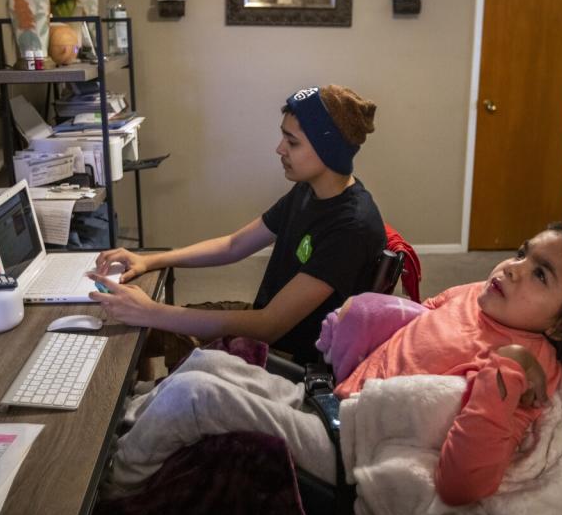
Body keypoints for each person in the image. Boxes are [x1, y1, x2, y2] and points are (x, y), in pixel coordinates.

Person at [100, 222, 562, 506]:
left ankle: (112, 489)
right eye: (522, 253)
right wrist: (365, 317)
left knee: (198, 398)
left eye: (541, 274)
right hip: (334, 397)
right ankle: (125, 429)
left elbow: (465, 482)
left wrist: (502, 380)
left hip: (351, 447)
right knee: (208, 364)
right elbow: (419, 323)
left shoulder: (522, 366)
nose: (513, 268)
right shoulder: (476, 294)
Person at [92, 85, 386, 370]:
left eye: (292, 142)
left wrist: (151, 311)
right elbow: (234, 245)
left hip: (286, 357)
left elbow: (269, 327)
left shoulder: (350, 227)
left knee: (148, 326)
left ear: (328, 149)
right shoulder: (310, 191)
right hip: (263, 322)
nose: (279, 148)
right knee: (137, 328)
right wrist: (150, 259)